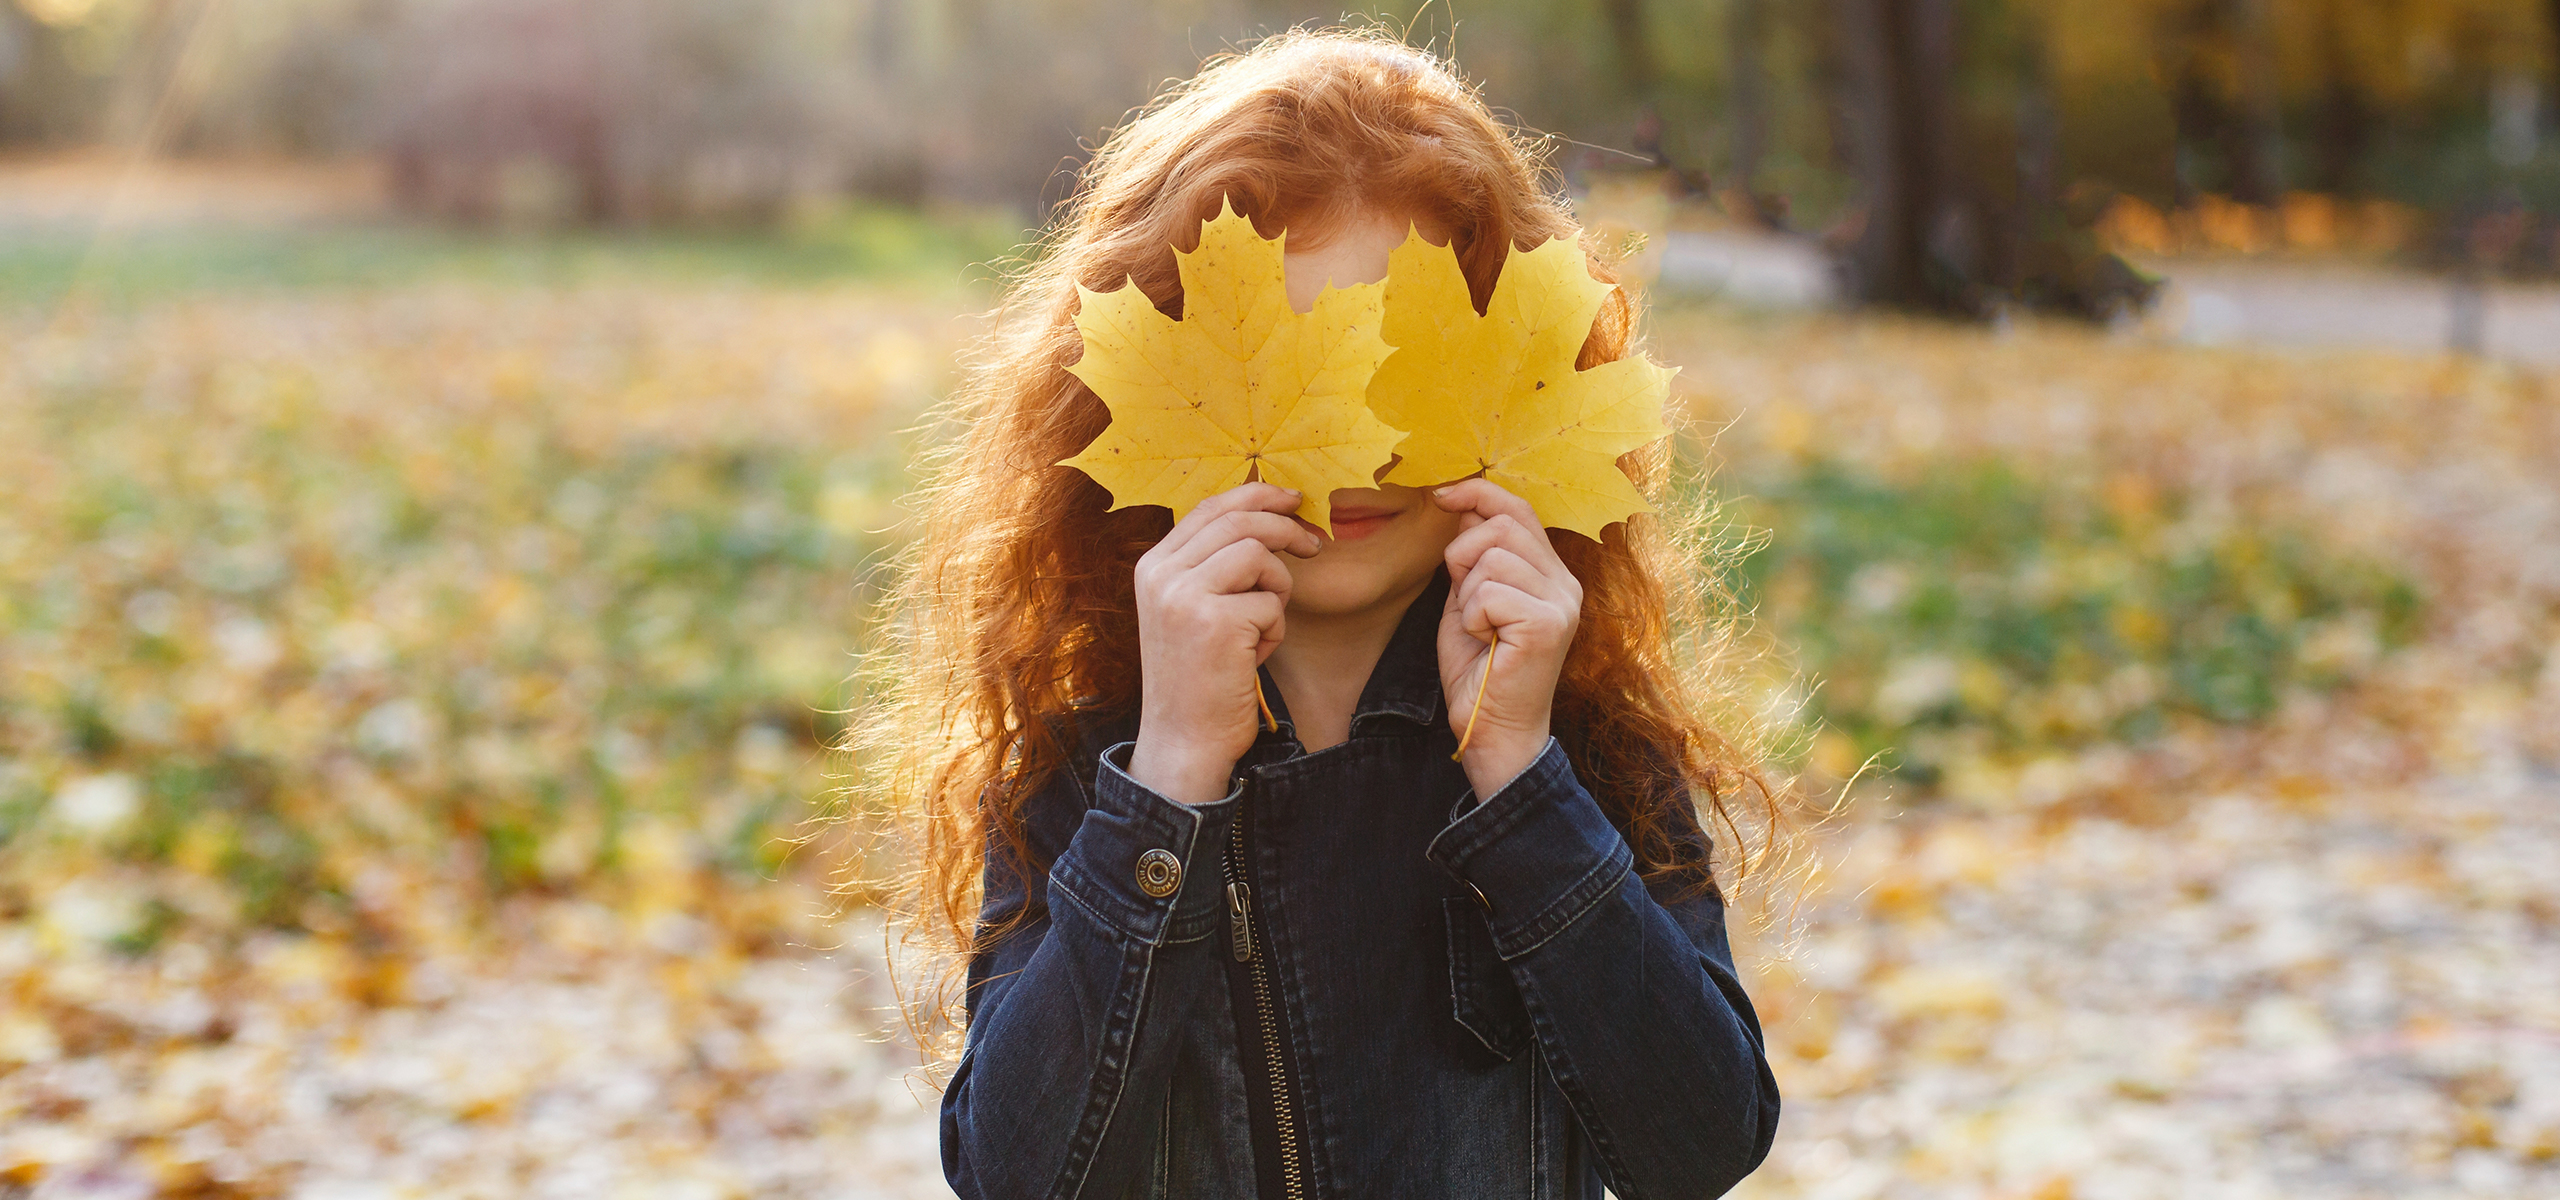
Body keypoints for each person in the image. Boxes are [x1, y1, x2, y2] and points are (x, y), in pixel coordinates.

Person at [855, 27, 1783, 1200]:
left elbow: (1698, 1145)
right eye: (1296, 378)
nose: (1355, 455)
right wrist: (1171, 778)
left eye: (1401, 373)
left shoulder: (1577, 743)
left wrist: (1523, 782)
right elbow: (1018, 1173)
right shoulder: (1095, 753)